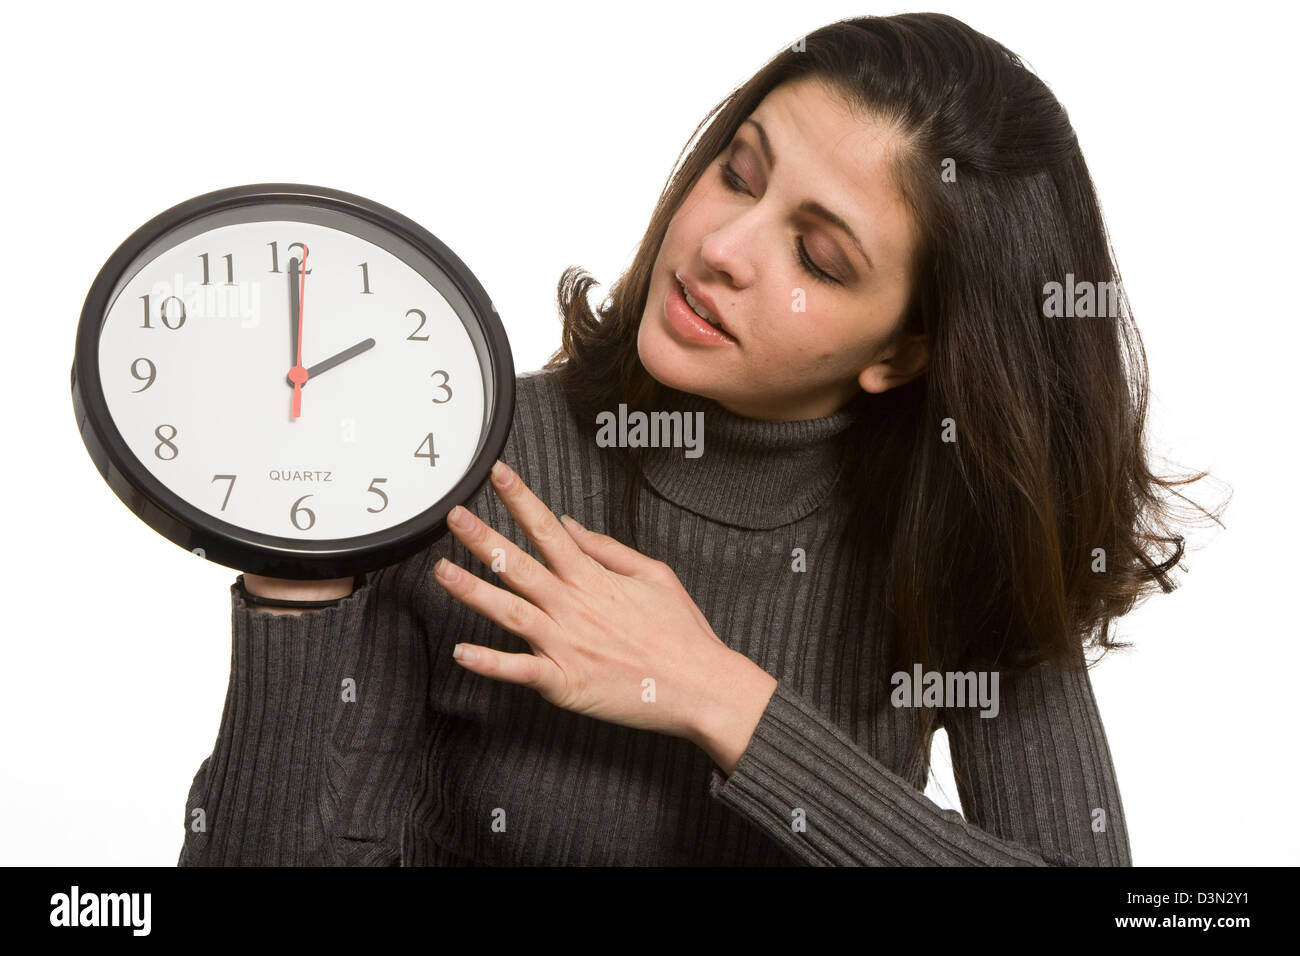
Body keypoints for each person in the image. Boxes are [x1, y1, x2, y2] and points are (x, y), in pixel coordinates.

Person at [179, 12, 1216, 866]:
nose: (717, 248)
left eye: (815, 254)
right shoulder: (467, 461)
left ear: (902, 352)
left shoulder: (955, 535)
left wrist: (721, 697)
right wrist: (294, 588)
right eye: (738, 171)